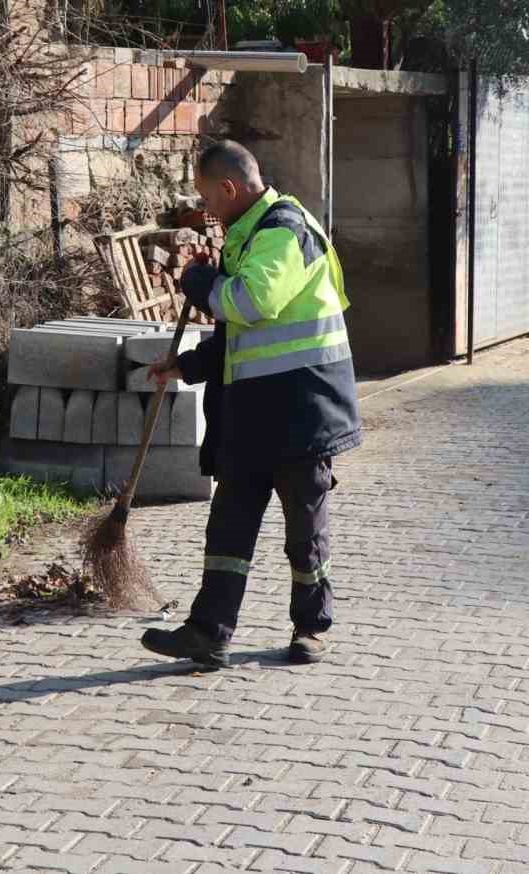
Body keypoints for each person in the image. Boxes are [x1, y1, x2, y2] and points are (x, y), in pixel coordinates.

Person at [140, 141, 361, 668]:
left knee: (304, 530)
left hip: (302, 411)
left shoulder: (285, 231)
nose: (206, 210)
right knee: (229, 525)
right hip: (253, 413)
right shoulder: (249, 236)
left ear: (230, 188)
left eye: (207, 197)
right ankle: (208, 632)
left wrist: (199, 282)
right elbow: (242, 335)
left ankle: (310, 627)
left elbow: (249, 303)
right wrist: (188, 365)